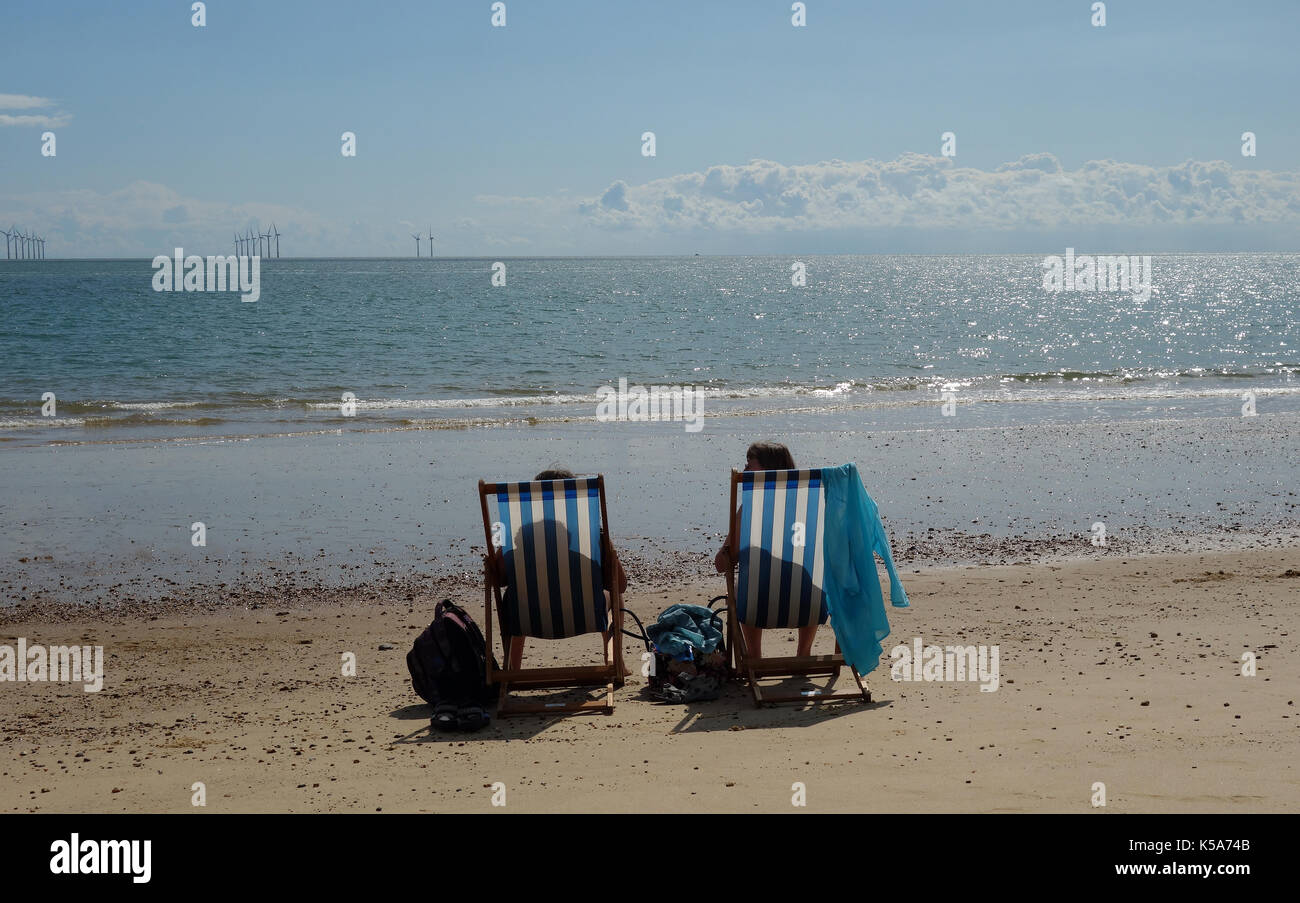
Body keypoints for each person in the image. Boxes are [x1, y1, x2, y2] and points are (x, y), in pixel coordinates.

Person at [489, 468, 628, 671]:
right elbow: (621, 585)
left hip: (526, 618)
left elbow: (497, 580)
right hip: (583, 615)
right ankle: (616, 662)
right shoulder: (589, 535)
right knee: (615, 595)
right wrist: (606, 543)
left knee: (516, 597)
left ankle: (512, 670)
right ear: (574, 501)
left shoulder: (519, 536)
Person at [714, 442, 818, 659]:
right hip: (809, 600)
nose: (744, 471)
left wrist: (726, 553)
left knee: (747, 584)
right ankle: (804, 653)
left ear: (767, 469)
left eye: (749, 465)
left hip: (758, 602)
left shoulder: (752, 508)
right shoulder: (810, 504)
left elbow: (722, 563)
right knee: (808, 578)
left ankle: (754, 655)